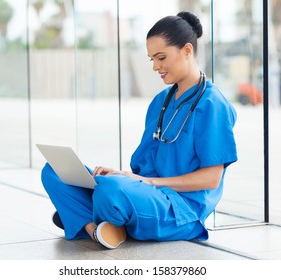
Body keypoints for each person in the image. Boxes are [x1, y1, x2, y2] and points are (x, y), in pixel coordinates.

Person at [41, 11, 237, 249]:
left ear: (187, 50)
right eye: (151, 59)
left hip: (181, 210)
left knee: (110, 190)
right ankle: (96, 229)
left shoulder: (212, 104)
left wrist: (144, 182)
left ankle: (86, 217)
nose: (156, 67)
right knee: (54, 170)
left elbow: (211, 178)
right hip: (146, 192)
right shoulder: (161, 102)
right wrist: (121, 174)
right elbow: (144, 169)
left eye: (161, 57)